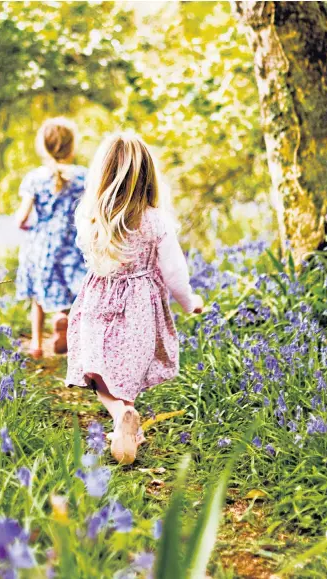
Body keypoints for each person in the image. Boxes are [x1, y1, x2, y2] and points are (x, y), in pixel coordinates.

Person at [67, 132, 204, 465]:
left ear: (101, 175)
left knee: (98, 371)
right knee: (127, 369)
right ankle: (126, 418)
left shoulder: (90, 216)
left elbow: (87, 255)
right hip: (140, 307)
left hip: (97, 303)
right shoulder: (156, 221)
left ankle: (121, 415)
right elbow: (174, 271)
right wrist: (189, 301)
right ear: (148, 176)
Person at [15, 118, 87, 359]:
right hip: (72, 243)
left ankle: (36, 345)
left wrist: (25, 224)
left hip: (41, 245)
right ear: (71, 147)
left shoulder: (35, 178)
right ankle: (63, 318)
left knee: (38, 294)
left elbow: (21, 217)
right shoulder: (83, 177)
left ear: (43, 147)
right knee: (70, 291)